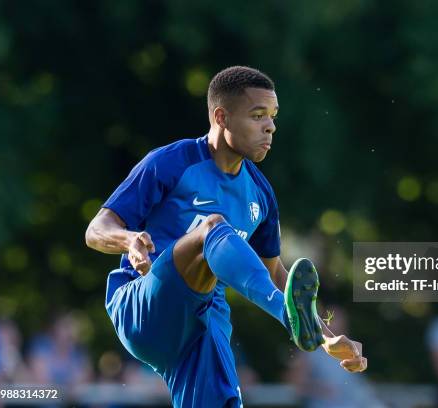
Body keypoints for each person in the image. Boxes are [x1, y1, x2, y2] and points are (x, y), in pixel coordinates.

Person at [85, 66, 367, 407]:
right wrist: (129, 240)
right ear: (221, 117)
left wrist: (327, 337)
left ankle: (290, 319)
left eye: (273, 117)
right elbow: (96, 229)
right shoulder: (170, 162)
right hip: (144, 306)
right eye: (258, 115)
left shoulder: (261, 194)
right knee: (212, 229)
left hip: (204, 325)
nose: (270, 126)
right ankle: (287, 317)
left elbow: (278, 276)